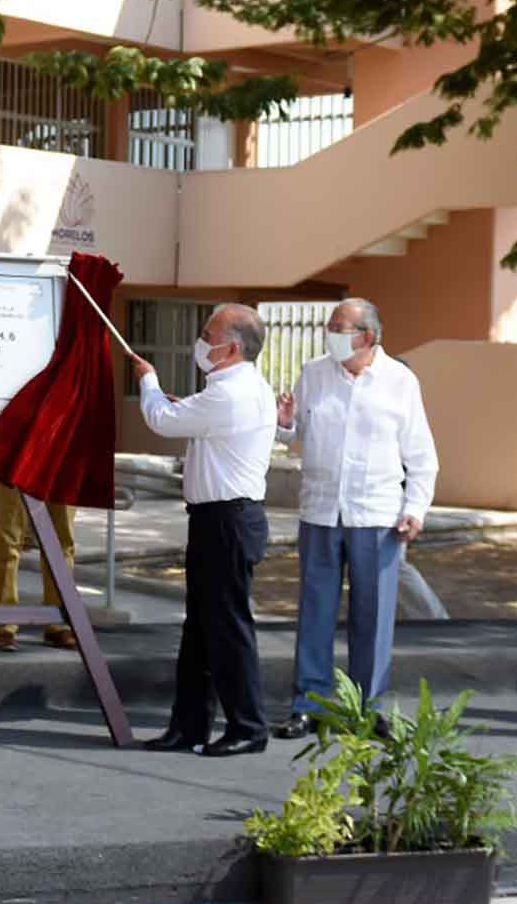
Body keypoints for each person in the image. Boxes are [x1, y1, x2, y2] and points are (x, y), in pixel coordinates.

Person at [272, 299, 438, 739]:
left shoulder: (400, 382)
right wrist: (285, 424)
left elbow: (421, 456)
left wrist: (415, 508)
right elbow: (296, 434)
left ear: (367, 335)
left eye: (339, 327)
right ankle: (308, 704)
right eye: (330, 327)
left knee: (373, 615)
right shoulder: (314, 374)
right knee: (315, 612)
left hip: (377, 516)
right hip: (321, 511)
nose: (330, 334)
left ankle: (368, 708)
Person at [131, 304, 274, 757]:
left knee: (228, 628)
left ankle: (248, 725)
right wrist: (174, 403)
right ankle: (189, 725)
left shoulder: (230, 393)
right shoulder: (231, 390)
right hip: (217, 520)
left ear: (230, 348)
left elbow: (160, 420)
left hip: (228, 521)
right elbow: (190, 417)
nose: (200, 340)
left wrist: (148, 379)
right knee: (200, 627)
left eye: (207, 333)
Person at [0, 480, 78, 652]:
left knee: (61, 540)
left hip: (62, 456)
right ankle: (3, 623)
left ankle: (59, 622)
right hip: (13, 456)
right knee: (8, 537)